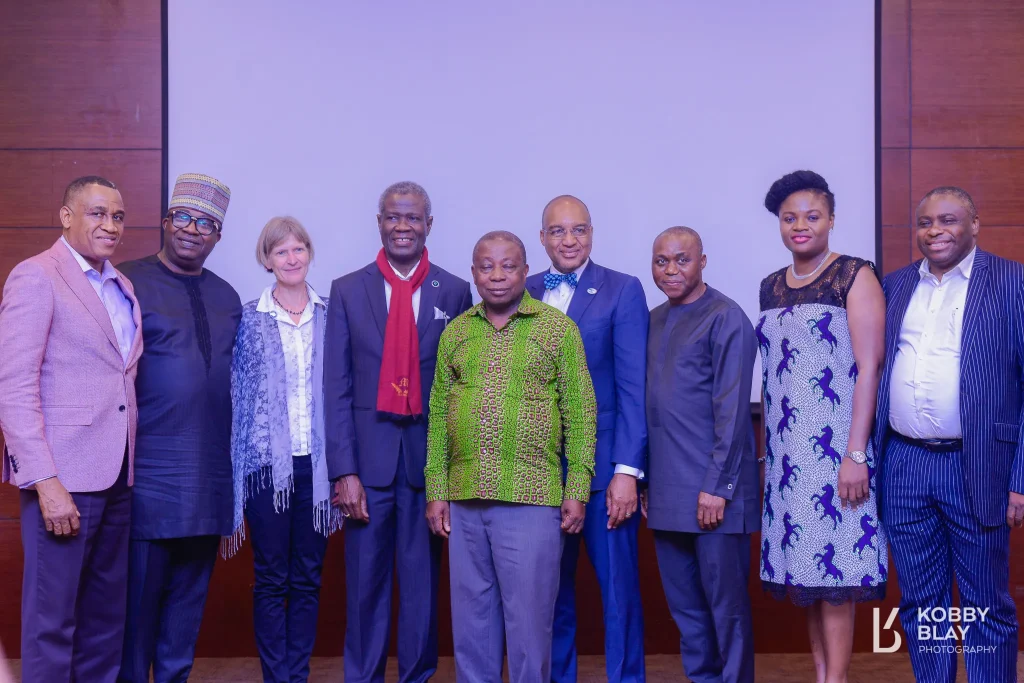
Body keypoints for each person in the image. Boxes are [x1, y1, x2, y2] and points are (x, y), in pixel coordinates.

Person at [426, 230, 596, 683]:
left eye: (508, 266)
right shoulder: (457, 332)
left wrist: (577, 489)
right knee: (471, 629)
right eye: (487, 266)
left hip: (532, 499)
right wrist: (436, 490)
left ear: (526, 271)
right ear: (474, 273)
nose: (497, 275)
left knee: (529, 632)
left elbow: (581, 413)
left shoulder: (557, 330)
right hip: (464, 501)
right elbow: (439, 414)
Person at [325, 181, 474, 683]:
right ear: (380, 223)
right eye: (393, 217)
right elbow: (337, 387)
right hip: (367, 467)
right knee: (364, 588)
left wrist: (449, 473)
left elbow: (460, 389)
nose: (402, 226)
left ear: (429, 224)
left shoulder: (454, 290)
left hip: (427, 466)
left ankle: (417, 676)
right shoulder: (348, 290)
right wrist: (344, 471)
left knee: (421, 588)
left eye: (412, 217)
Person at [875, 186, 1023, 682]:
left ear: (974, 225)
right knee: (920, 603)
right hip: (904, 464)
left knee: (986, 604)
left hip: (978, 463)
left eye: (948, 220)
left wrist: (1020, 479)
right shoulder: (894, 286)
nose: (935, 231)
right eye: (925, 222)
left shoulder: (1012, 281)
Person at [0, 176, 142, 683]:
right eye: (97, 213)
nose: (110, 225)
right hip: (63, 480)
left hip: (118, 475)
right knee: (51, 622)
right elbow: (14, 387)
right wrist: (45, 481)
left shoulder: (121, 286)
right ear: (66, 216)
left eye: (118, 216)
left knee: (105, 621)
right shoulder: (37, 276)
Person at [757, 171, 887, 683]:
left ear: (831, 219)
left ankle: (837, 679)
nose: (800, 226)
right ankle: (822, 676)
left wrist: (855, 454)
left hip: (837, 456)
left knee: (836, 580)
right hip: (788, 461)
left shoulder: (854, 275)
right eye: (790, 218)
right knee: (807, 577)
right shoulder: (770, 285)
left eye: (812, 216)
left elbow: (869, 367)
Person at [116, 173, 242, 683]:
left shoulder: (228, 296)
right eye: (184, 218)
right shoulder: (127, 281)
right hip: (147, 478)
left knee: (185, 617)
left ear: (218, 236)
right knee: (135, 617)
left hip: (208, 478)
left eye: (205, 223)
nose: (192, 229)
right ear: (166, 222)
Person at [523, 195, 648, 683]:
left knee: (618, 594)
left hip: (603, 472)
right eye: (557, 230)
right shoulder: (522, 288)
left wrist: (627, 472)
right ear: (542, 238)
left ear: (592, 234)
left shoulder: (623, 289)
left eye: (579, 230)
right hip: (538, 472)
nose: (569, 240)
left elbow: (633, 388)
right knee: (549, 595)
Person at [228, 216, 343, 682]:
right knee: (272, 577)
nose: (291, 259)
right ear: (267, 259)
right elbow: (236, 393)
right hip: (265, 468)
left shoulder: (333, 315)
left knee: (308, 577)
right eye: (281, 251)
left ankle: (298, 674)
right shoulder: (247, 318)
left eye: (298, 249)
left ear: (309, 253)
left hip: (318, 467)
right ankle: (277, 676)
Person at [644, 227, 758, 683]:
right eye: (661, 261)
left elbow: (733, 413)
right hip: (667, 493)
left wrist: (718, 488)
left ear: (703, 261)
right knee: (687, 613)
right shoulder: (653, 320)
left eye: (682, 259)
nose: (671, 270)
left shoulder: (726, 318)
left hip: (714, 494)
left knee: (727, 611)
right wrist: (646, 481)